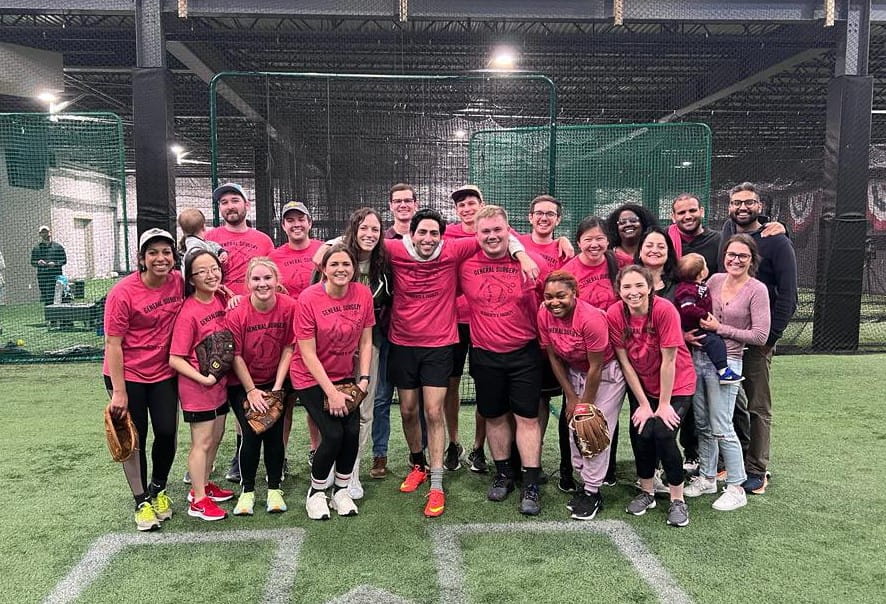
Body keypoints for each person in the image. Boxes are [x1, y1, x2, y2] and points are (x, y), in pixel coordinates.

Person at [384, 207, 537, 518]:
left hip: (440, 344)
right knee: (409, 410)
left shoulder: (455, 248)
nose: (428, 238)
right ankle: (418, 465)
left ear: (443, 236)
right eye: (422, 232)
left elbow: (499, 235)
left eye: (434, 233)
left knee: (433, 411)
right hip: (402, 342)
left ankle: (437, 482)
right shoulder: (395, 249)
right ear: (411, 234)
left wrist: (521, 253)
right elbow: (361, 240)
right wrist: (325, 251)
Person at [460, 205, 548, 516]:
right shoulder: (465, 264)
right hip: (484, 355)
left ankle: (531, 482)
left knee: (527, 418)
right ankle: (503, 474)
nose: (492, 236)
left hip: (525, 353)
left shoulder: (532, 263)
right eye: (486, 231)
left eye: (498, 230)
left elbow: (555, 300)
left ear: (509, 231)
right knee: (494, 416)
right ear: (476, 234)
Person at [103, 228, 182, 531]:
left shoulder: (178, 281)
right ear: (141, 258)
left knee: (166, 431)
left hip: (163, 372)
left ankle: (158, 489)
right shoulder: (123, 293)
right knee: (134, 438)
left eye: (166, 252)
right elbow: (113, 344)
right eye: (153, 253)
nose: (160, 258)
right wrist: (119, 392)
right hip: (127, 374)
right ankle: (141, 501)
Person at [684, 235, 771, 511]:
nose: (735, 260)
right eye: (731, 254)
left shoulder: (757, 289)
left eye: (742, 256)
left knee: (722, 425)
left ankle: (736, 485)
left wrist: (719, 329)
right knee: (702, 423)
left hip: (729, 361)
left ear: (751, 259)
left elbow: (760, 335)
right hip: (700, 357)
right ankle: (708, 477)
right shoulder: (714, 281)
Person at [722, 182, 798, 494]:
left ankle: (757, 469)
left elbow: (788, 296)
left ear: (760, 205)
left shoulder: (777, 241)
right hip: (726, 339)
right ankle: (733, 459)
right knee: (729, 402)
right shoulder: (728, 234)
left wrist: (770, 338)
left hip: (756, 340)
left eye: (749, 202)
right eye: (737, 202)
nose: (743, 207)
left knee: (757, 405)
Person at [607, 265, 696, 527]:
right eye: (627, 287)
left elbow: (669, 361)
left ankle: (677, 499)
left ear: (649, 287)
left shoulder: (664, 310)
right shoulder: (615, 314)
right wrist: (645, 404)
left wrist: (664, 404)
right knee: (642, 433)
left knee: (663, 433)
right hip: (643, 385)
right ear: (619, 289)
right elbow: (625, 362)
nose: (633, 292)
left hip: (676, 384)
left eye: (638, 286)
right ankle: (647, 492)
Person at [292, 244, 374, 520]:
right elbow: (306, 352)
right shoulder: (308, 298)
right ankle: (316, 494)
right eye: (334, 264)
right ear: (323, 269)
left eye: (346, 264)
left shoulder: (363, 293)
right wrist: (332, 393)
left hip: (345, 375)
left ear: (354, 268)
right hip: (309, 377)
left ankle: (341, 491)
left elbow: (365, 339)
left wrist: (363, 380)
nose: (341, 269)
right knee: (334, 434)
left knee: (351, 433)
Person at [538, 270, 625, 520]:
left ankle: (593, 490)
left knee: (593, 428)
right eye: (549, 297)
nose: (554, 302)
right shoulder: (544, 313)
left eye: (561, 296)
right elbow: (554, 357)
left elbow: (596, 366)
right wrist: (571, 398)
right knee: (574, 428)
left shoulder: (591, 318)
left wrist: (584, 405)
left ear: (575, 293)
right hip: (574, 372)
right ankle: (584, 480)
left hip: (605, 374)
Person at [205, 182, 274, 483]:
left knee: (245, 386)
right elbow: (197, 273)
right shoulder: (209, 238)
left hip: (251, 323)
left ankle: (243, 455)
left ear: (247, 205)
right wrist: (220, 288)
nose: (230, 206)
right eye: (224, 203)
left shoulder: (262, 240)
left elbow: (269, 278)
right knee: (215, 394)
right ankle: (203, 461)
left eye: (235, 200)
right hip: (215, 323)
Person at [226, 257, 297, 516]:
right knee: (252, 431)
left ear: (277, 281)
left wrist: (278, 389)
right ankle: (247, 491)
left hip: (275, 379)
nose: (262, 283)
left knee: (275, 433)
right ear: (247, 283)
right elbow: (235, 355)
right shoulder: (237, 312)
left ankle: (274, 488)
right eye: (256, 279)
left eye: (267, 278)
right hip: (243, 383)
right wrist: (251, 391)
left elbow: (289, 346)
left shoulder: (289, 306)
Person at [169, 249, 234, 521]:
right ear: (191, 279)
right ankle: (198, 500)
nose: (211, 275)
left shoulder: (220, 298)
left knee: (216, 437)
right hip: (199, 389)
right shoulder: (189, 312)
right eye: (202, 271)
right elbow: (175, 358)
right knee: (202, 442)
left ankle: (205, 484)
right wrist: (203, 378)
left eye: (215, 268)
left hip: (218, 386)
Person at [560, 215, 624, 490]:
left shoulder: (620, 265)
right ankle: (571, 471)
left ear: (608, 241)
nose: (594, 244)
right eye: (588, 239)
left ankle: (603, 474)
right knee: (575, 414)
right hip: (579, 358)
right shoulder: (569, 270)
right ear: (578, 242)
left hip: (613, 356)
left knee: (606, 418)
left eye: (599, 239)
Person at [337, 208, 392, 500]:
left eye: (375, 229)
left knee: (364, 411)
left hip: (371, 347)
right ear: (354, 229)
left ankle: (352, 471)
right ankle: (329, 468)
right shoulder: (336, 257)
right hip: (333, 349)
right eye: (364, 228)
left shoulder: (384, 264)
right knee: (334, 410)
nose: (370, 234)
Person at [269, 200, 324, 480]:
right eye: (290, 220)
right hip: (287, 339)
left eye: (300, 219)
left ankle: (317, 451)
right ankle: (280, 455)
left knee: (315, 400)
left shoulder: (322, 250)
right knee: (285, 401)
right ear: (283, 226)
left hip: (320, 338)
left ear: (309, 222)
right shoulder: (274, 255)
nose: (296, 224)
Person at [370, 183, 419, 480]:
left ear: (415, 204)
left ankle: (422, 456)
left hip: (418, 335)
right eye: (397, 201)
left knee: (421, 403)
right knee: (380, 398)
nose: (403, 205)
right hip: (385, 331)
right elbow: (349, 243)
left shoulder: (427, 236)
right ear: (390, 206)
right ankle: (379, 455)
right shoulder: (381, 240)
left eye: (407, 200)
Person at [674, 253, 743, 384]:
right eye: (705, 265)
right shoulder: (686, 290)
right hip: (694, 328)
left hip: (701, 325)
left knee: (717, 340)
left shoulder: (698, 285)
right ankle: (724, 371)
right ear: (700, 274)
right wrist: (704, 315)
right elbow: (687, 307)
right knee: (715, 342)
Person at [635, 225, 679, 300]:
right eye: (649, 246)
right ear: (640, 252)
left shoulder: (679, 286)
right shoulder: (628, 282)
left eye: (661, 247)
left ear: (668, 253)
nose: (655, 251)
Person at [30, 225, 66, 305]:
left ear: (50, 233)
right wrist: (38, 262)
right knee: (46, 297)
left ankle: (58, 314)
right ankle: (49, 315)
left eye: (46, 231)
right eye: (42, 232)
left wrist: (55, 264)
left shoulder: (58, 247)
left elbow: (64, 260)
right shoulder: (36, 248)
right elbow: (32, 262)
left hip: (55, 276)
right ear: (40, 234)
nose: (45, 234)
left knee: (57, 297)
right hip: (43, 277)